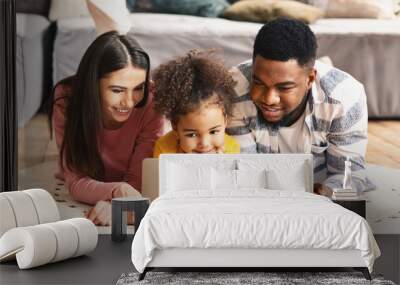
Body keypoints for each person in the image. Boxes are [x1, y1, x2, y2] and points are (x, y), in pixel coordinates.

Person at [226, 18, 374, 195]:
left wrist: (325, 193)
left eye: (284, 87)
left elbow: (348, 175)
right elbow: (245, 172)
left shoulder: (344, 98)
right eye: (259, 83)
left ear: (310, 79)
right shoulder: (233, 89)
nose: (269, 99)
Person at [52, 31, 164, 225]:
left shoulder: (153, 103)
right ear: (92, 84)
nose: (129, 102)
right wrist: (117, 191)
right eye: (117, 90)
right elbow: (76, 181)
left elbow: (137, 183)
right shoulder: (66, 99)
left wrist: (119, 204)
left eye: (138, 88)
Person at [152, 50, 240, 157]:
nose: (204, 144)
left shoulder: (231, 149)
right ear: (175, 127)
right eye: (192, 135)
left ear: (225, 121)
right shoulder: (164, 150)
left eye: (213, 132)